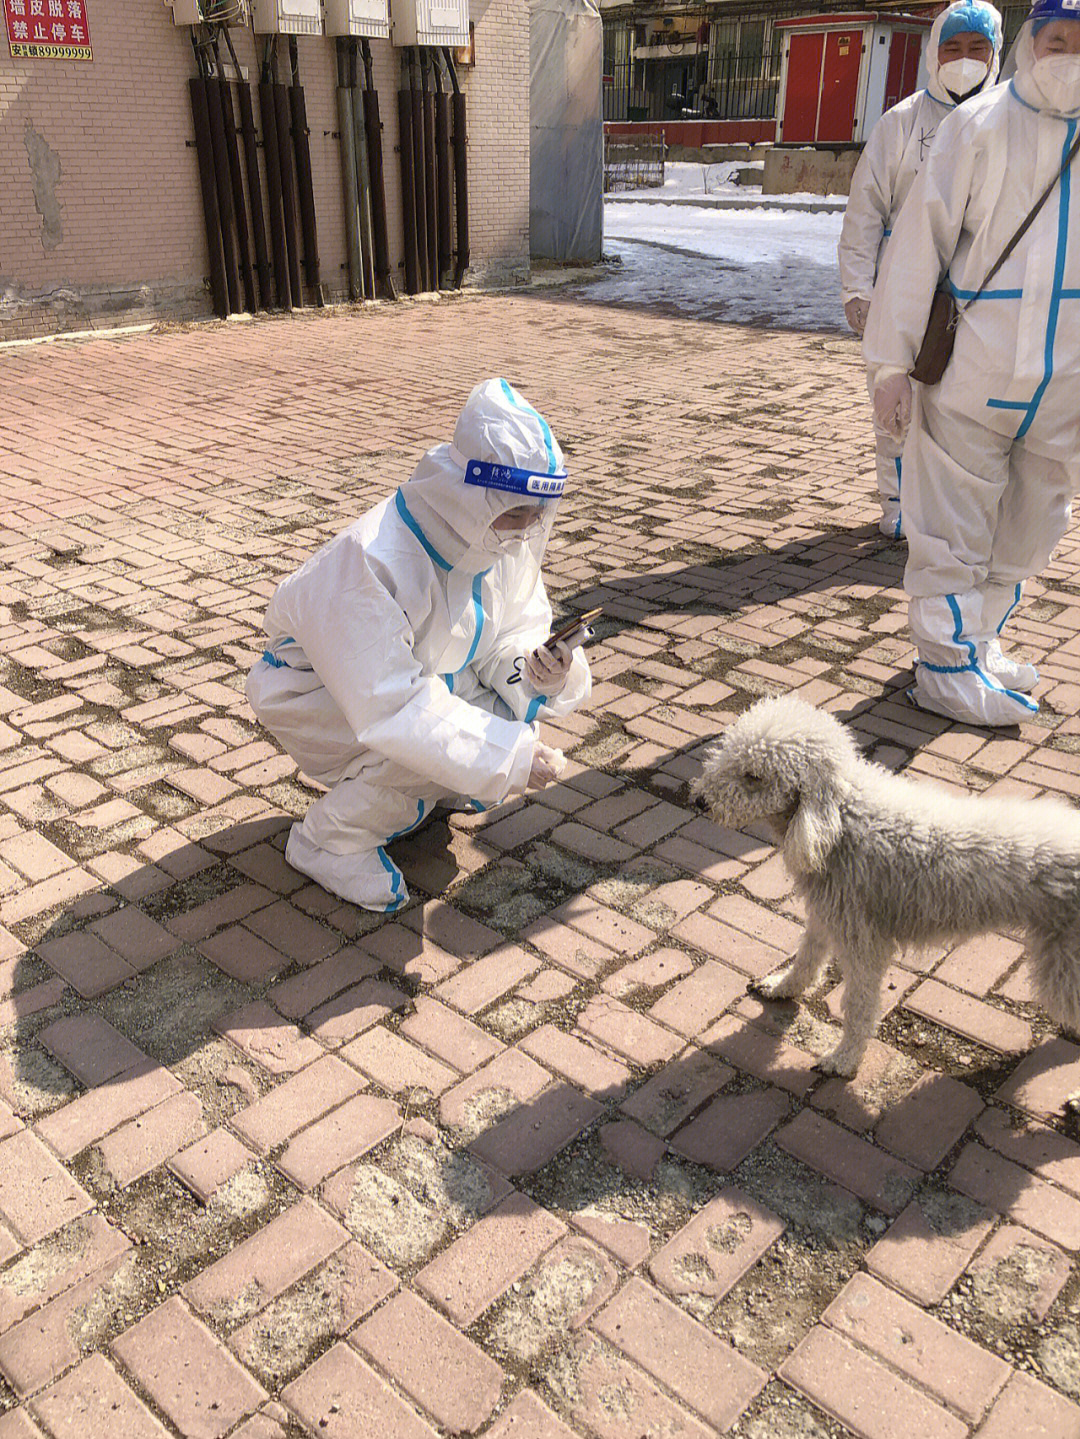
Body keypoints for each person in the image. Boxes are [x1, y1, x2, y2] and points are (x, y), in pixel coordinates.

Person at [246, 379, 592, 911]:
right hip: (315, 695)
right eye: (515, 512)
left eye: (535, 515)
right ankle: (328, 842)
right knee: (429, 748)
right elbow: (392, 707)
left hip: (411, 683)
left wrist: (538, 669)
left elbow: (511, 630)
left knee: (508, 716)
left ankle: (422, 792)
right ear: (474, 497)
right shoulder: (376, 558)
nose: (526, 530)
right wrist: (506, 755)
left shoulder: (498, 540)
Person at [864, 0, 1080, 726]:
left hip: (1064, 383)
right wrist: (889, 364)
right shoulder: (977, 128)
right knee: (952, 527)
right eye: (1059, 39)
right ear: (1031, 41)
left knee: (1028, 525)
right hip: (974, 376)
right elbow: (914, 245)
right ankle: (942, 666)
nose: (1070, 54)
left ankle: (977, 642)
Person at [838, 0, 1004, 538]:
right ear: (934, 53)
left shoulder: (1012, 124)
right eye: (952, 48)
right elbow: (865, 209)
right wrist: (858, 290)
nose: (964, 59)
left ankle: (958, 512)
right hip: (905, 293)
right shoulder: (903, 123)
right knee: (896, 407)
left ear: (997, 54)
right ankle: (899, 505)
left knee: (967, 413)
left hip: (983, 301)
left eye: (977, 49)